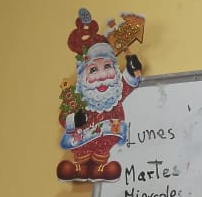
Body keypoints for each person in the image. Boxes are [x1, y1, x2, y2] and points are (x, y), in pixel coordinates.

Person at [56, 9, 143, 181]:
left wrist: (132, 70)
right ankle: (78, 167)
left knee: (106, 166)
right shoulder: (77, 96)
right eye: (94, 70)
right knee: (74, 167)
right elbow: (64, 116)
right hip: (81, 143)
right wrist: (74, 120)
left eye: (107, 67)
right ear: (84, 76)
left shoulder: (115, 91)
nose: (102, 76)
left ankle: (101, 167)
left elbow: (129, 83)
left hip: (106, 144)